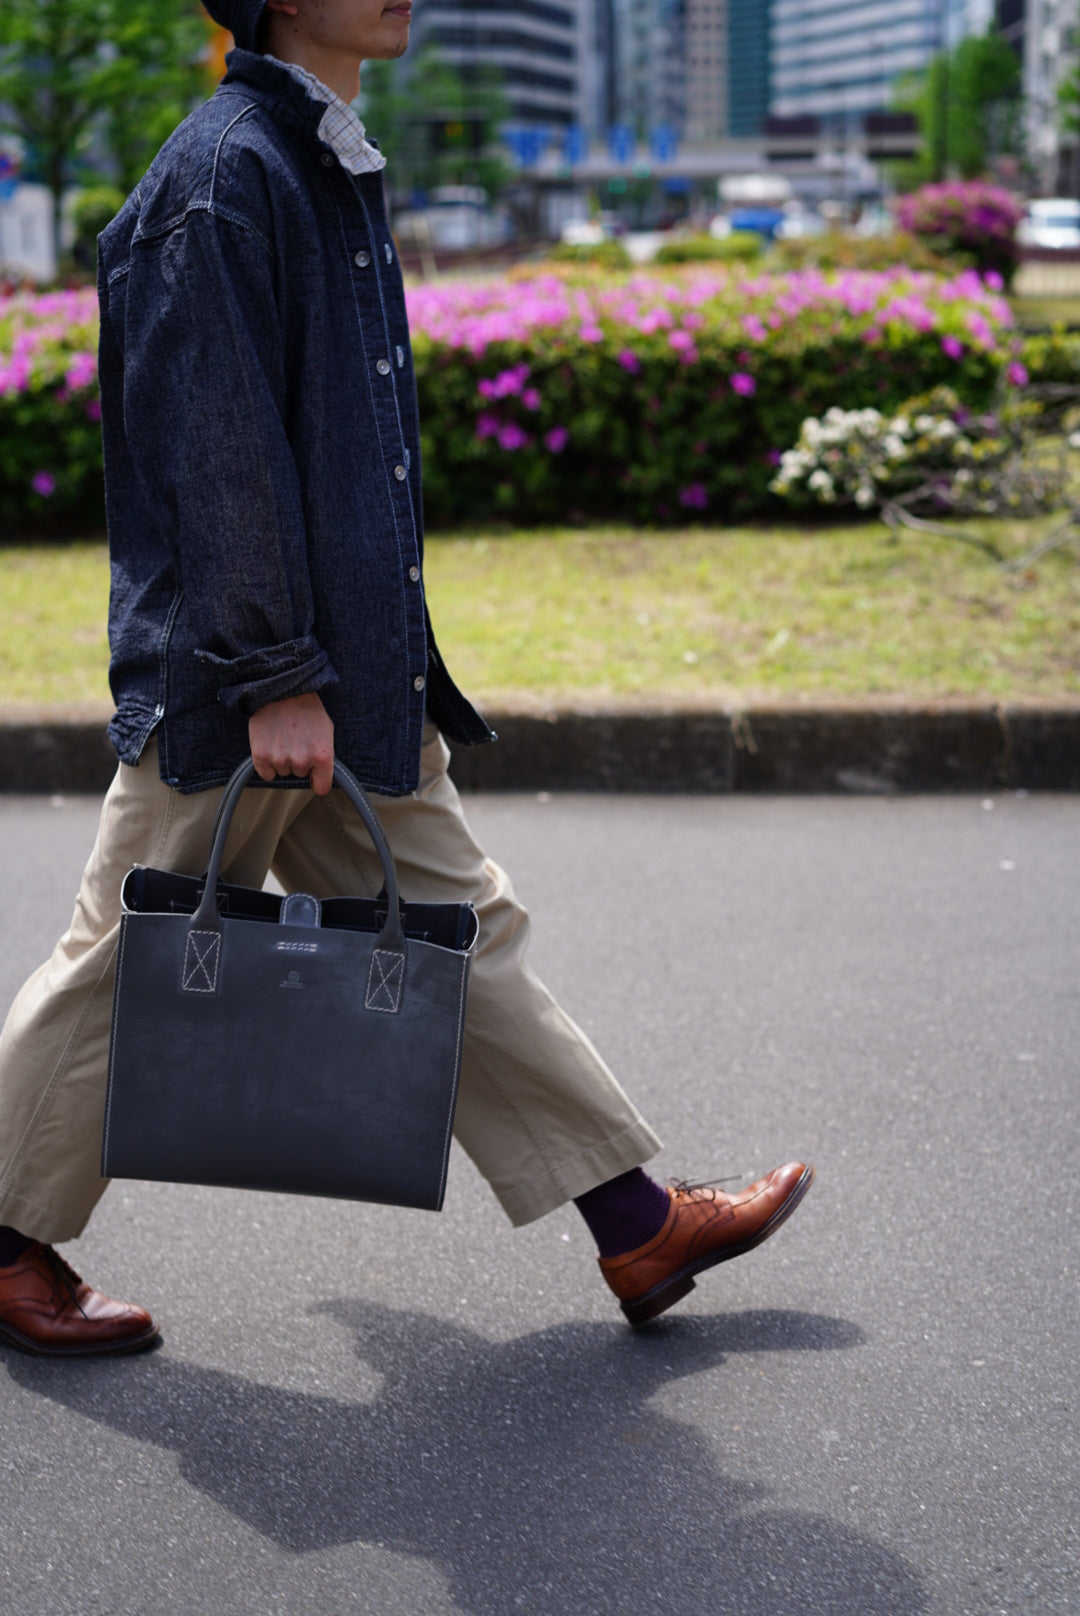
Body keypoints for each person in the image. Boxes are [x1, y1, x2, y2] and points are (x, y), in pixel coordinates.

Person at [0, 0, 813, 1358]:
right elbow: (223, 454)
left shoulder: (316, 153)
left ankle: (636, 1221)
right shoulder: (222, 176)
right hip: (249, 693)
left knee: (456, 932)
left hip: (345, 683)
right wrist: (271, 675)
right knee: (130, 961)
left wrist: (346, 673)